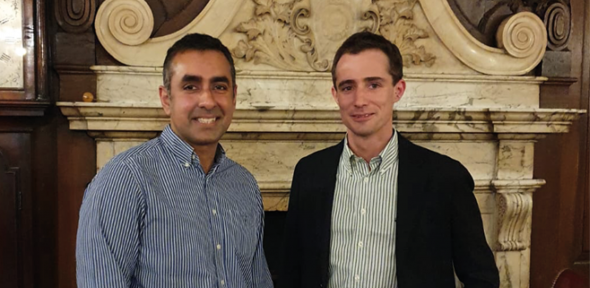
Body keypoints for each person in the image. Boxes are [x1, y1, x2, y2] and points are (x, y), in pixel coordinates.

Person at [280, 32, 499, 288]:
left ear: (398, 90)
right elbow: (290, 273)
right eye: (348, 87)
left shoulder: (445, 178)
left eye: (373, 84)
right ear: (335, 94)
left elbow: (481, 278)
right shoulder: (309, 173)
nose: (360, 100)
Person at [76, 33, 273, 288]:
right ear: (166, 99)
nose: (208, 100)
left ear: (234, 97)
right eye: (191, 86)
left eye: (219, 86)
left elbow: (258, 281)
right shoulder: (124, 180)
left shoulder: (244, 184)